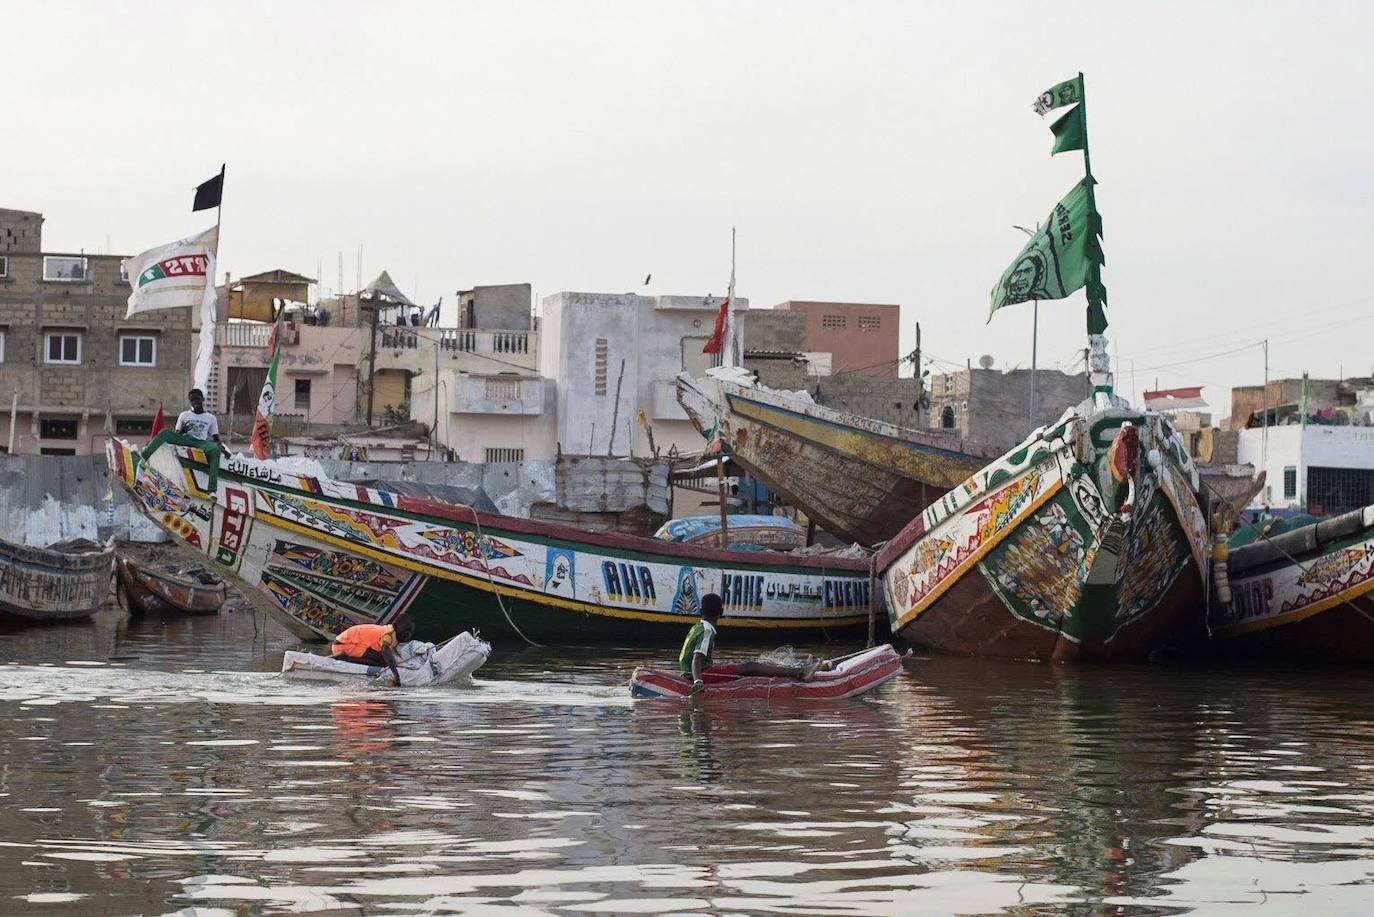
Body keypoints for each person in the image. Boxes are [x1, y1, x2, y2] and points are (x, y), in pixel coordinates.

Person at [679, 593, 826, 695]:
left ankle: (799, 667)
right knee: (751, 666)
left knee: (740, 666)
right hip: (699, 675)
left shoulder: (696, 627)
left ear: (700, 611)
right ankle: (801, 672)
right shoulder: (707, 631)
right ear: (721, 612)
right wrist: (698, 681)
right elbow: (696, 658)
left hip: (690, 672)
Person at [331, 617, 417, 685]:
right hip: (343, 645)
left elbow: (392, 653)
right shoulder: (389, 635)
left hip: (352, 644)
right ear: (397, 626)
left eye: (410, 632)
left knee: (381, 660)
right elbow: (385, 652)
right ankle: (343, 658)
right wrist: (396, 675)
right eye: (406, 630)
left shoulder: (391, 632)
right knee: (377, 662)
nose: (408, 634)